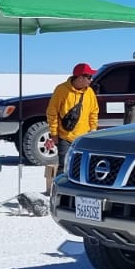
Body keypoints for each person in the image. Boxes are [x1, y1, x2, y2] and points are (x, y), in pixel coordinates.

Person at [44, 62, 99, 195]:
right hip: (65, 137)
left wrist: (93, 130)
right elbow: (52, 112)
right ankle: (58, 194)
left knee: (83, 167)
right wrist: (54, 132)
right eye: (89, 77)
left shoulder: (89, 92)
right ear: (80, 77)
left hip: (84, 138)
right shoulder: (61, 90)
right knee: (64, 166)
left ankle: (79, 194)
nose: (91, 80)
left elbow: (94, 112)